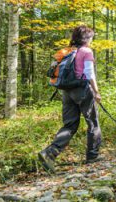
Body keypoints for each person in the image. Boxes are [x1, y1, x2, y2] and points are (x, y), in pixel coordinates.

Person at [38, 25, 102, 173]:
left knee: (69, 125)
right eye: (91, 37)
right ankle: (92, 156)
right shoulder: (86, 51)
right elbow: (89, 73)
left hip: (67, 91)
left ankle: (49, 153)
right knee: (93, 122)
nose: (91, 40)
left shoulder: (68, 51)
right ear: (86, 38)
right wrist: (96, 92)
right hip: (82, 90)